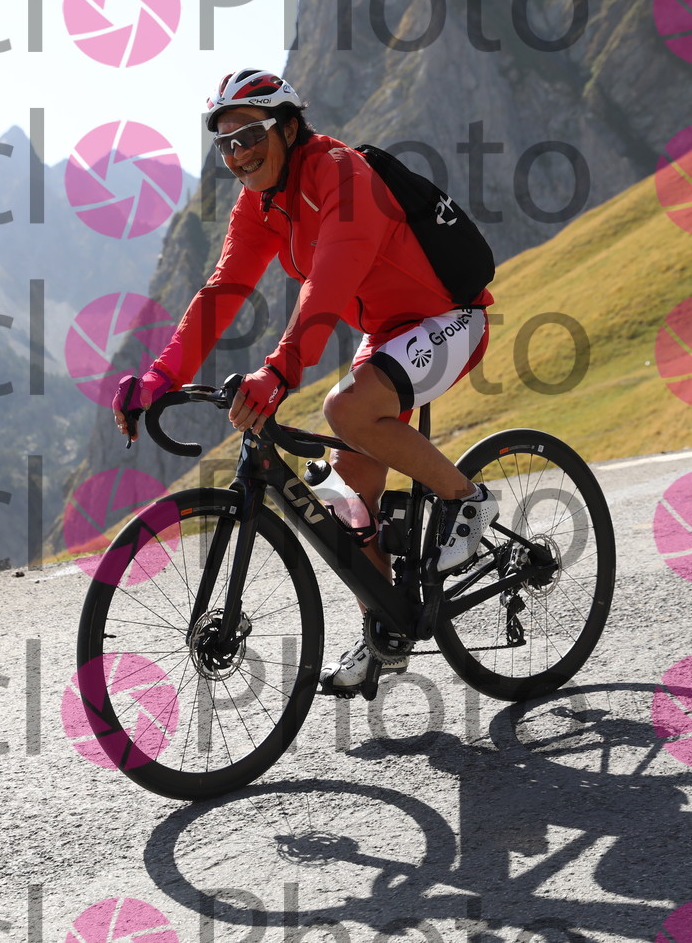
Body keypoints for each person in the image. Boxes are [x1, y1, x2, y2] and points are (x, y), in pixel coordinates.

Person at [111, 68, 498, 693]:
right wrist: (159, 378)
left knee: (347, 411)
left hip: (450, 318)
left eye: (250, 135)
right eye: (225, 144)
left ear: (290, 128)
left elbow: (330, 280)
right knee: (349, 501)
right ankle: (387, 629)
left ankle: (467, 499)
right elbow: (222, 291)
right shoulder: (261, 204)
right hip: (390, 335)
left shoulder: (342, 175)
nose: (237, 154)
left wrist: (279, 371)